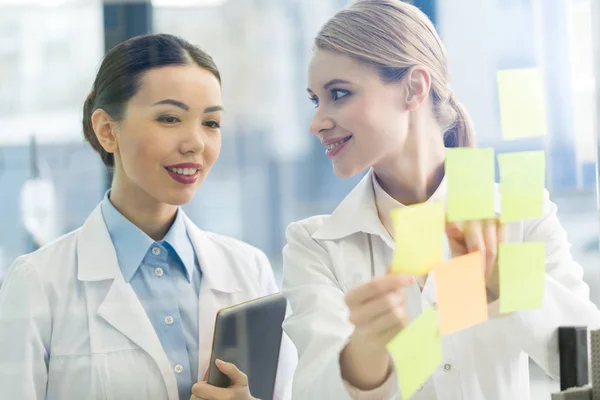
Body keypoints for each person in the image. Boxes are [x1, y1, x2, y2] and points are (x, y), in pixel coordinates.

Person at [281, 1, 600, 399]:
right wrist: (364, 354)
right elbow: (313, 391)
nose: (317, 122)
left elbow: (591, 368)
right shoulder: (315, 245)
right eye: (316, 100)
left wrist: (509, 281)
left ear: (414, 88)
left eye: (339, 94)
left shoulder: (521, 214)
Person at [0, 33, 295, 400]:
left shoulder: (249, 271)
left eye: (211, 123)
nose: (196, 143)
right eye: (170, 118)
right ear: (108, 130)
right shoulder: (37, 285)